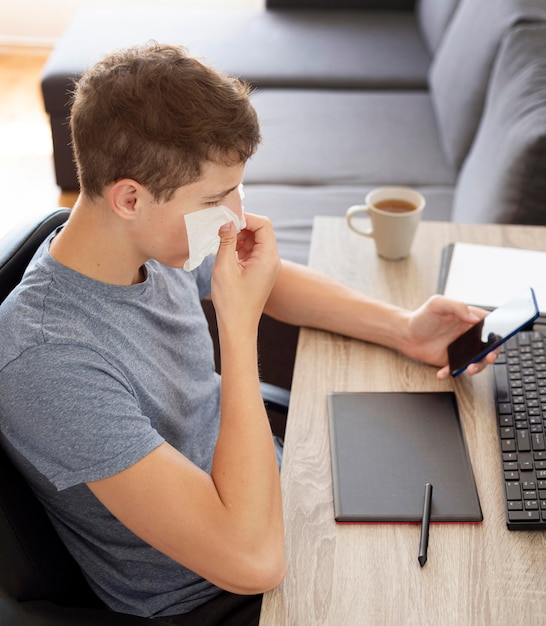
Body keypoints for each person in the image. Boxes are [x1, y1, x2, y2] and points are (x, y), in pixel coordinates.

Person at [0, 43, 496, 624]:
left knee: (476, 505)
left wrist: (405, 328)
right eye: (214, 199)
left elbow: (270, 279)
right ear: (129, 197)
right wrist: (238, 328)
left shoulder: (147, 239)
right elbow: (251, 561)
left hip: (277, 486)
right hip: (221, 593)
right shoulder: (49, 362)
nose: (234, 217)